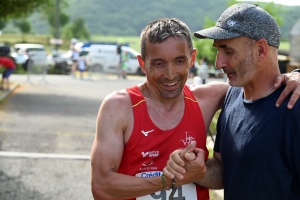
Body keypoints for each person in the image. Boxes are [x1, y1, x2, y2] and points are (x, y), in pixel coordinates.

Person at [90, 18, 300, 200]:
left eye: (179, 61)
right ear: (142, 64)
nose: (170, 74)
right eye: (159, 64)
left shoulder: (214, 97)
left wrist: (296, 75)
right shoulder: (118, 107)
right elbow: (101, 187)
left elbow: (257, 83)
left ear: (192, 58)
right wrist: (168, 180)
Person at [163, 4, 300, 200]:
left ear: (260, 50)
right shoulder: (233, 96)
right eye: (218, 51)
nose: (219, 63)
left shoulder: (294, 108)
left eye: (228, 51)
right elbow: (224, 171)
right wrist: (197, 170)